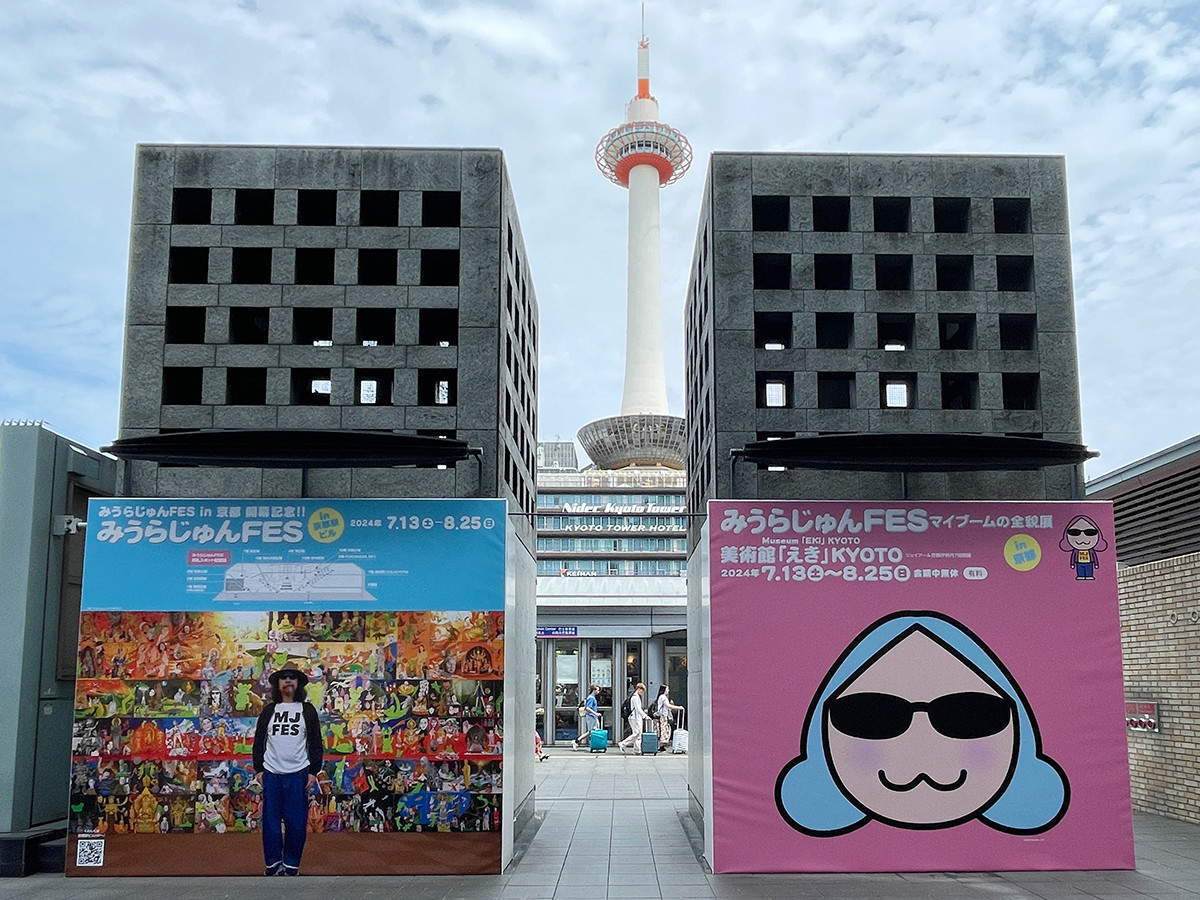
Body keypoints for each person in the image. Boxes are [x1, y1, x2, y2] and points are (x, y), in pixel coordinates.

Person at [252, 667, 323, 876]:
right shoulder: (269, 710)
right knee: (271, 822)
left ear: (298, 683)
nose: (288, 681)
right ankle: (273, 864)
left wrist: (313, 771)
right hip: (272, 773)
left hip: (298, 773)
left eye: (292, 678)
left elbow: (315, 743)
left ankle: (291, 865)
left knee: (297, 822)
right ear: (278, 685)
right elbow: (259, 741)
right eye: (284, 678)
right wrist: (259, 769)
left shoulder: (307, 710)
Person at [618, 683, 650, 754]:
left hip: (635, 717)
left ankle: (637, 749)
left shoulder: (634, 696)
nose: (642, 692)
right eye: (642, 690)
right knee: (637, 733)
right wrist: (645, 716)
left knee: (638, 734)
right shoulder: (635, 697)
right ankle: (623, 743)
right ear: (638, 689)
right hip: (634, 717)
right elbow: (638, 709)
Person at [653, 684, 684, 752]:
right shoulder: (663, 697)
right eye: (667, 689)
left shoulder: (661, 697)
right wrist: (678, 707)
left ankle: (661, 746)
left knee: (662, 731)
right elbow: (668, 705)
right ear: (664, 690)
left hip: (662, 716)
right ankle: (659, 746)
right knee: (664, 731)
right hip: (663, 717)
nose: (668, 690)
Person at [573, 685, 601, 750]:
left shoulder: (590, 697)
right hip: (591, 716)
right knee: (592, 731)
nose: (598, 691)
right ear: (594, 690)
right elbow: (588, 708)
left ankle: (577, 741)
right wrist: (595, 713)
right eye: (597, 690)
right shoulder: (591, 698)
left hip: (591, 716)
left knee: (591, 731)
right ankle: (577, 741)